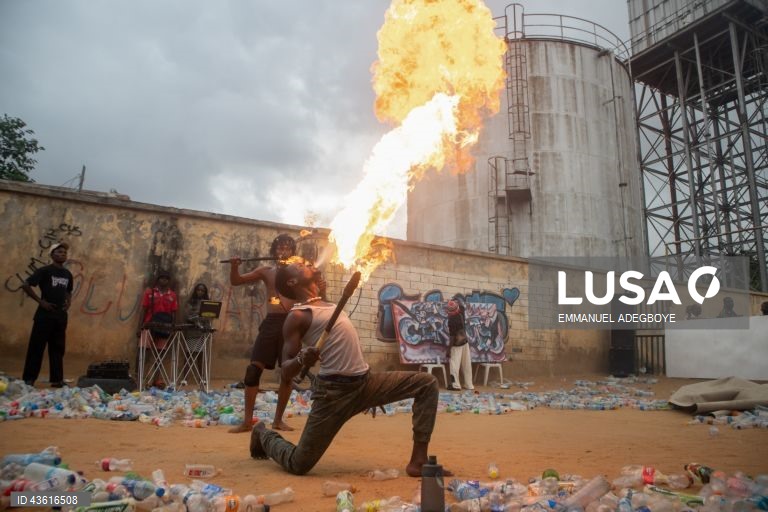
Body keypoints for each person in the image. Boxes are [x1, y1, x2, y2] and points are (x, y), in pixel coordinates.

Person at [249, 258, 443, 477]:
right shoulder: (297, 316)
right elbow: (285, 371)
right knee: (299, 463)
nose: (309, 264)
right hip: (334, 394)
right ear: (292, 281)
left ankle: (418, 461)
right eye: (301, 266)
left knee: (427, 384)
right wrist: (302, 358)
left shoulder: (330, 304)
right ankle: (264, 435)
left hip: (366, 383)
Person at [227, 234, 298, 433]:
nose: (283, 252)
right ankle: (247, 421)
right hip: (271, 324)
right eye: (280, 248)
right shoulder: (267, 271)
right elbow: (237, 281)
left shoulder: (299, 272)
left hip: (292, 324)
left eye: (287, 248)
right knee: (252, 371)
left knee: (287, 373)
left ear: (293, 252)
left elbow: (312, 295)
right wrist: (234, 266)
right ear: (274, 252)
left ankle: (278, 420)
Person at [21, 242, 74, 387]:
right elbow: (26, 285)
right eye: (59, 252)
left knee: (58, 348)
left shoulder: (67, 274)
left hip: (60, 317)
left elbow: (69, 291)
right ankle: (29, 379)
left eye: (64, 252)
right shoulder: (44, 271)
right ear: (52, 255)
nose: (62, 254)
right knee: (36, 347)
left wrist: (68, 302)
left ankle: (57, 379)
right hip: (44, 316)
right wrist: (41, 301)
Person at [139, 270, 179, 388]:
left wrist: (172, 328)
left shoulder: (172, 295)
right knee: (144, 354)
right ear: (158, 279)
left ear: (169, 281)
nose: (164, 280)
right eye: (162, 278)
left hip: (164, 328)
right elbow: (144, 310)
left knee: (160, 356)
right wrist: (140, 326)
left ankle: (156, 380)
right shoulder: (150, 292)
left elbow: (174, 313)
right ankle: (142, 379)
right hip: (149, 326)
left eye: (166, 278)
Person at [182, 283, 212, 385]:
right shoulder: (190, 302)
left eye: (202, 290)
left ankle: (201, 378)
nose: (200, 292)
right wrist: (200, 317)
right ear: (195, 291)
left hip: (202, 332)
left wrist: (201, 317)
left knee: (201, 355)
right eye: (198, 290)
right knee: (189, 355)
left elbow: (209, 317)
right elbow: (188, 315)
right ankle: (184, 378)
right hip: (192, 331)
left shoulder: (208, 303)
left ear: (205, 292)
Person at [446, 299, 474, 391]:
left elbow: (452, 337)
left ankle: (456, 385)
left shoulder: (451, 320)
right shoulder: (461, 314)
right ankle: (469, 385)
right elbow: (461, 306)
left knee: (454, 364)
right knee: (466, 364)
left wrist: (449, 349)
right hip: (465, 341)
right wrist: (455, 302)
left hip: (457, 344)